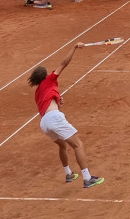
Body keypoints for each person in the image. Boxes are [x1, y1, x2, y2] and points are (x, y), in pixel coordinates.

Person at [28, 43, 104, 189]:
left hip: (44, 123)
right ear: (44, 76)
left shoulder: (38, 92)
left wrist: (58, 101)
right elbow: (63, 63)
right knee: (78, 144)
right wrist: (74, 47)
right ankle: (87, 178)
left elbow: (48, 105)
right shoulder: (49, 80)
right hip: (53, 118)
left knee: (62, 145)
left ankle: (68, 174)